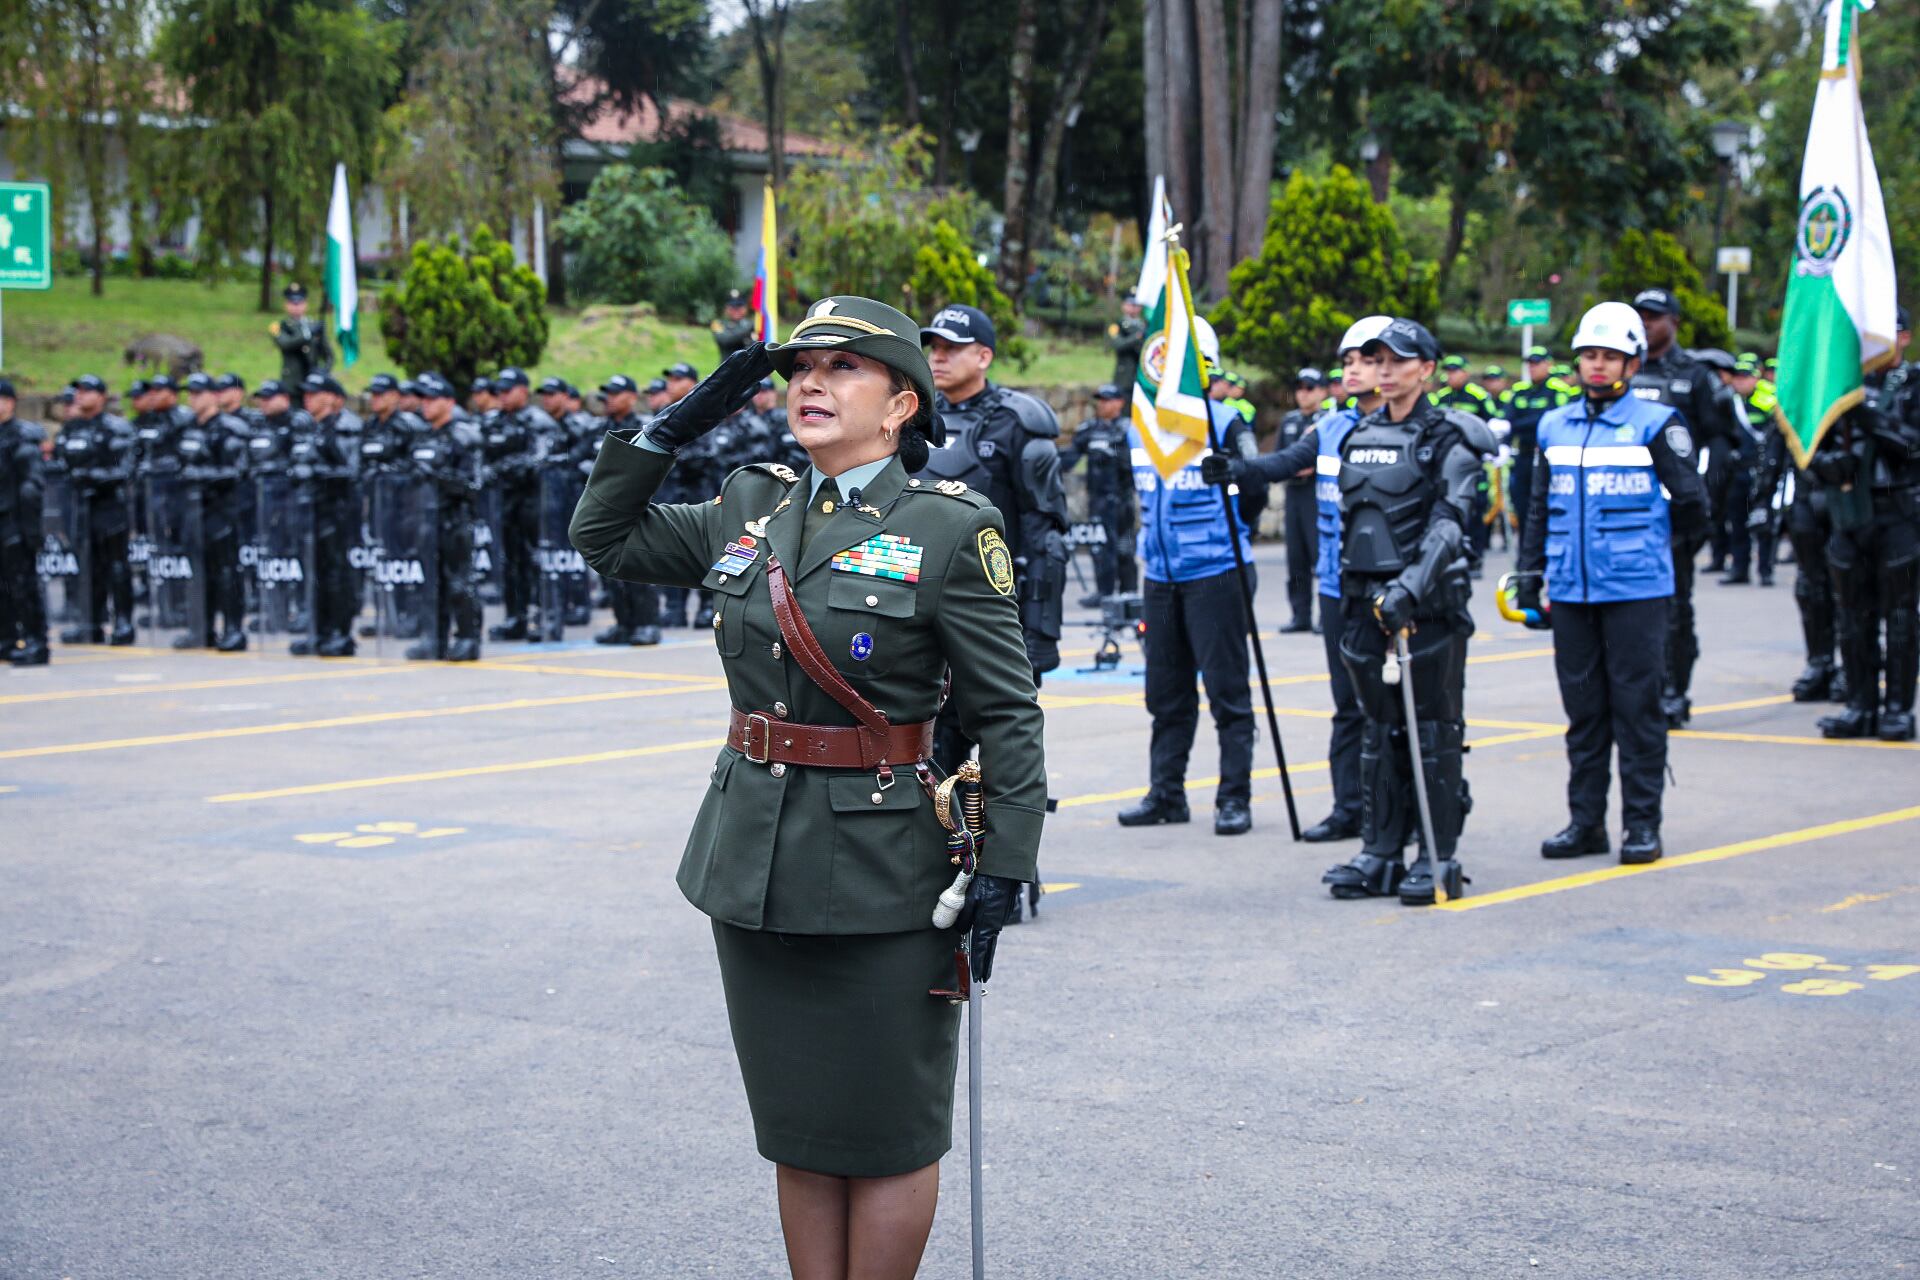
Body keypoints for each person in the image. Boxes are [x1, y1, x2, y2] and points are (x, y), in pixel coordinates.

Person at [569, 297, 1045, 1280]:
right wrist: (672, 426)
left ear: (903, 402)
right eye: (800, 369)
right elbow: (605, 539)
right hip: (753, 859)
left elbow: (1009, 713)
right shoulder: (753, 504)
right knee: (799, 1123)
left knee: (886, 1131)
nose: (810, 384)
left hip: (885, 869)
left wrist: (1007, 864)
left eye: (844, 368)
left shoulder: (950, 527)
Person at [1518, 302, 1710, 865]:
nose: (1598, 366)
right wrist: (1531, 579)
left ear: (1631, 363)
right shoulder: (1554, 425)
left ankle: (1641, 826)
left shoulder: (1658, 423)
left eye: (1610, 357)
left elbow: (1694, 506)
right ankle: (1585, 824)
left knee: (1638, 710)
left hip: (1637, 593)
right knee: (1584, 713)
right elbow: (1537, 509)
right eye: (1589, 356)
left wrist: (1653, 556)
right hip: (1572, 592)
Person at [1318, 319, 1488, 905]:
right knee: (1378, 728)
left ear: (1426, 369)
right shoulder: (1356, 432)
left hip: (1428, 607)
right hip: (1363, 601)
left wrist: (1411, 588)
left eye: (1397, 361)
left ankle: (1436, 856)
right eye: (1376, 360)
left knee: (1434, 732)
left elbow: (1449, 523)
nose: (1385, 371)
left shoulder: (1451, 437)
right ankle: (1380, 850)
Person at [1209, 315, 1393, 845]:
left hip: (1392, 592)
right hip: (1338, 590)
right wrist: (1235, 470)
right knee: (1347, 702)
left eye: (1366, 360)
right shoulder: (1332, 427)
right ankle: (1348, 808)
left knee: (1393, 707)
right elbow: (1280, 464)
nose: (1353, 371)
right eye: (1349, 362)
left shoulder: (1413, 430)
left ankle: (1392, 811)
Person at [1126, 314, 1265, 836]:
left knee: (1228, 692)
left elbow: (1254, 488)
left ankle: (1234, 798)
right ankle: (1166, 794)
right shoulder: (1138, 424)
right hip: (1160, 573)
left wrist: (1234, 533)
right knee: (1166, 693)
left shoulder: (1225, 421)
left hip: (1217, 571)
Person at [917, 304, 1071, 691]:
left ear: (984, 356)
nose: (938, 356)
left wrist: (1041, 633)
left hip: (997, 614)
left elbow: (1045, 538)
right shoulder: (910, 416)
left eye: (951, 348)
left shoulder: (1018, 422)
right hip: (920, 618)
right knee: (928, 748)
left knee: (1008, 743)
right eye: (933, 346)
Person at [1630, 287, 1732, 727]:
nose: (1647, 323)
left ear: (1672, 320)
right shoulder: (1624, 371)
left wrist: (1698, 503)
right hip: (1627, 509)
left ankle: (1674, 692)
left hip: (1675, 515)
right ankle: (1642, 687)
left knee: (1673, 608)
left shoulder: (1695, 375)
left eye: (1654, 316)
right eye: (1641, 316)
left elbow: (1718, 445)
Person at [1808, 390, 1919, 741]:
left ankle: (1898, 709)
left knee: (1900, 617)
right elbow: (1802, 438)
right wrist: (1822, 462)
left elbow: (1911, 446)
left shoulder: (1911, 386)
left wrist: (1870, 419)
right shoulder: (1833, 382)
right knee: (1852, 618)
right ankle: (1860, 705)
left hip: (1897, 513)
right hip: (1847, 514)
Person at [155, 372, 252, 650]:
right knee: (198, 573)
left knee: (226, 573)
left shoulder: (229, 428)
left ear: (214, 395)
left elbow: (238, 470)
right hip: (193, 512)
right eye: (191, 394)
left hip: (222, 511)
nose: (193, 399)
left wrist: (200, 474)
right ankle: (202, 628)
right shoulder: (186, 429)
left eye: (199, 393)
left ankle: (233, 629)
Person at [52, 374, 138, 645]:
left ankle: (123, 622)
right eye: (78, 391)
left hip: (110, 506)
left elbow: (125, 469)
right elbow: (59, 464)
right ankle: (90, 621)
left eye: (87, 391)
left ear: (101, 396)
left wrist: (92, 476)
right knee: (88, 567)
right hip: (80, 506)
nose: (80, 395)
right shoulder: (71, 429)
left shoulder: (116, 428)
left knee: (116, 567)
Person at [407, 374, 485, 661]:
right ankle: (434, 637)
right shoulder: (423, 436)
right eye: (423, 399)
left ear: (449, 401)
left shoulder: (464, 436)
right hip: (427, 519)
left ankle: (467, 637)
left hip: (456, 519)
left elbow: (474, 485)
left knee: (459, 582)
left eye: (432, 399)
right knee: (431, 582)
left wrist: (438, 477)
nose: (425, 405)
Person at [483, 367, 557, 640]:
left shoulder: (538, 421)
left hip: (533, 501)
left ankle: (543, 616)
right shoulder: (493, 421)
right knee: (511, 562)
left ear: (523, 391)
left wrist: (504, 467)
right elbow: (481, 459)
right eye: (498, 391)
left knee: (536, 559)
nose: (501, 396)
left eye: (507, 390)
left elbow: (538, 461)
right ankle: (515, 617)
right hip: (506, 501)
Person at [588, 374, 663, 647]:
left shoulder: (645, 427)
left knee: (638, 565)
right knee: (611, 570)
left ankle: (647, 623)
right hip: (607, 508)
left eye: (615, 393)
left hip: (636, 507)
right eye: (606, 393)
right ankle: (623, 623)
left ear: (632, 397)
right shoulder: (600, 428)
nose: (609, 399)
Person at [1055, 382, 1137, 605]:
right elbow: (1068, 460)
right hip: (1098, 500)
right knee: (1100, 548)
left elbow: (1139, 464)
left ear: (1119, 402)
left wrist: (1113, 455)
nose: (1102, 404)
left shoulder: (1130, 430)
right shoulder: (1089, 429)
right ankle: (1104, 593)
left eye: (1107, 400)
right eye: (1100, 400)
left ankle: (1130, 594)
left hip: (1122, 500)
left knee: (1124, 547)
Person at [1269, 368, 1331, 632]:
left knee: (1320, 555)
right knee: (1296, 557)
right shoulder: (1290, 420)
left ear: (1322, 391)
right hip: (1293, 492)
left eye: (1309, 388)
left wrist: (1312, 466)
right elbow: (1280, 454)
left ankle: (1325, 616)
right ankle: (1300, 614)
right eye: (1299, 388)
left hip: (1315, 492)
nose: (1303, 394)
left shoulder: (1328, 421)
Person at [1498, 346, 1576, 546]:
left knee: (1546, 505)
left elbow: (1550, 421)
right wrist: (1505, 443)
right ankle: (1526, 552)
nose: (1532, 368)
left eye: (1537, 363)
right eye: (1530, 364)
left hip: (1549, 458)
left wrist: (1519, 424)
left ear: (1548, 364)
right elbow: (1507, 421)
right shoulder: (1519, 390)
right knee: (1523, 506)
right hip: (1524, 456)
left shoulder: (1558, 390)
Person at [1, 378, 50, 665]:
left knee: (23, 585)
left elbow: (31, 487)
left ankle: (36, 641)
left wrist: (29, 530)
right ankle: (6, 638)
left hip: (14, 521)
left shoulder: (22, 437)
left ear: (10, 402)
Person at [271, 283, 332, 389]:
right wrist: (307, 333)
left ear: (305, 304)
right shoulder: (279, 326)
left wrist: (324, 370)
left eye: (299, 303)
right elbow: (286, 344)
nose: (296, 306)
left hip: (313, 380)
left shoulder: (315, 325)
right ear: (286, 305)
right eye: (292, 303)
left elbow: (328, 354)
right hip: (292, 382)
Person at [1108, 296, 1146, 387]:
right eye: (1130, 304)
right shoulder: (1117, 325)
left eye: (1136, 305)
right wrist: (1136, 338)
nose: (1133, 307)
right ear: (1123, 306)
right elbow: (1119, 345)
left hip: (1141, 373)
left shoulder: (1145, 326)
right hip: (1124, 374)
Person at [711, 288, 756, 362]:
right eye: (732, 307)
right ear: (726, 309)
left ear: (745, 308)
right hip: (727, 368)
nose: (736, 310)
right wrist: (748, 330)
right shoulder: (717, 324)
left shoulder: (751, 324)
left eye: (739, 307)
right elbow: (725, 340)